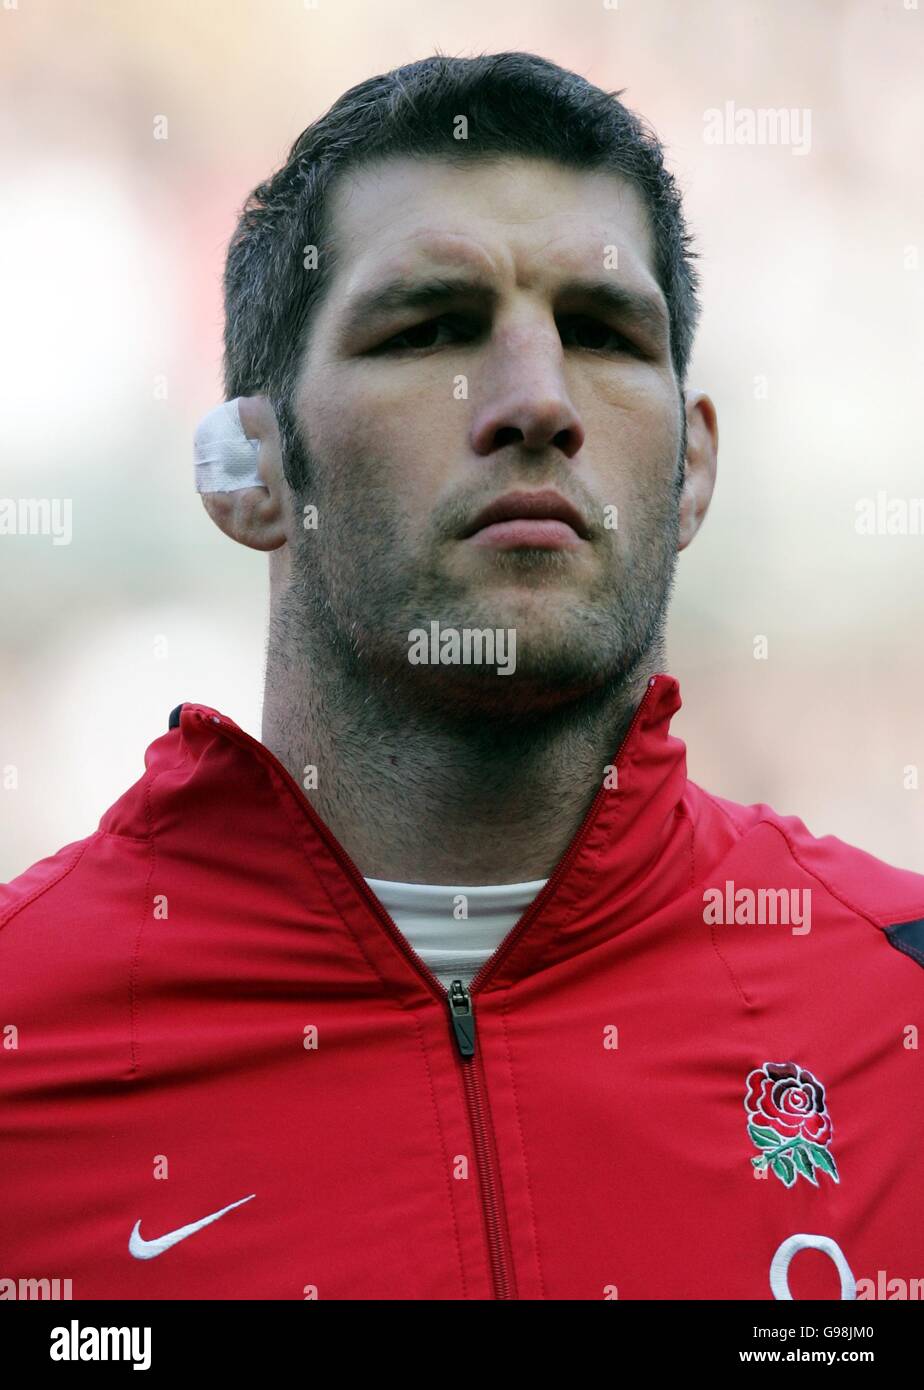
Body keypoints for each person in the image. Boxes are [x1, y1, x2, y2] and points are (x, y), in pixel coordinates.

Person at [2, 52, 922, 1303]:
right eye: (431, 324)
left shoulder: (896, 1000)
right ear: (250, 472)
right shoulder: (26, 1038)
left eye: (602, 333)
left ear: (693, 468)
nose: (537, 400)